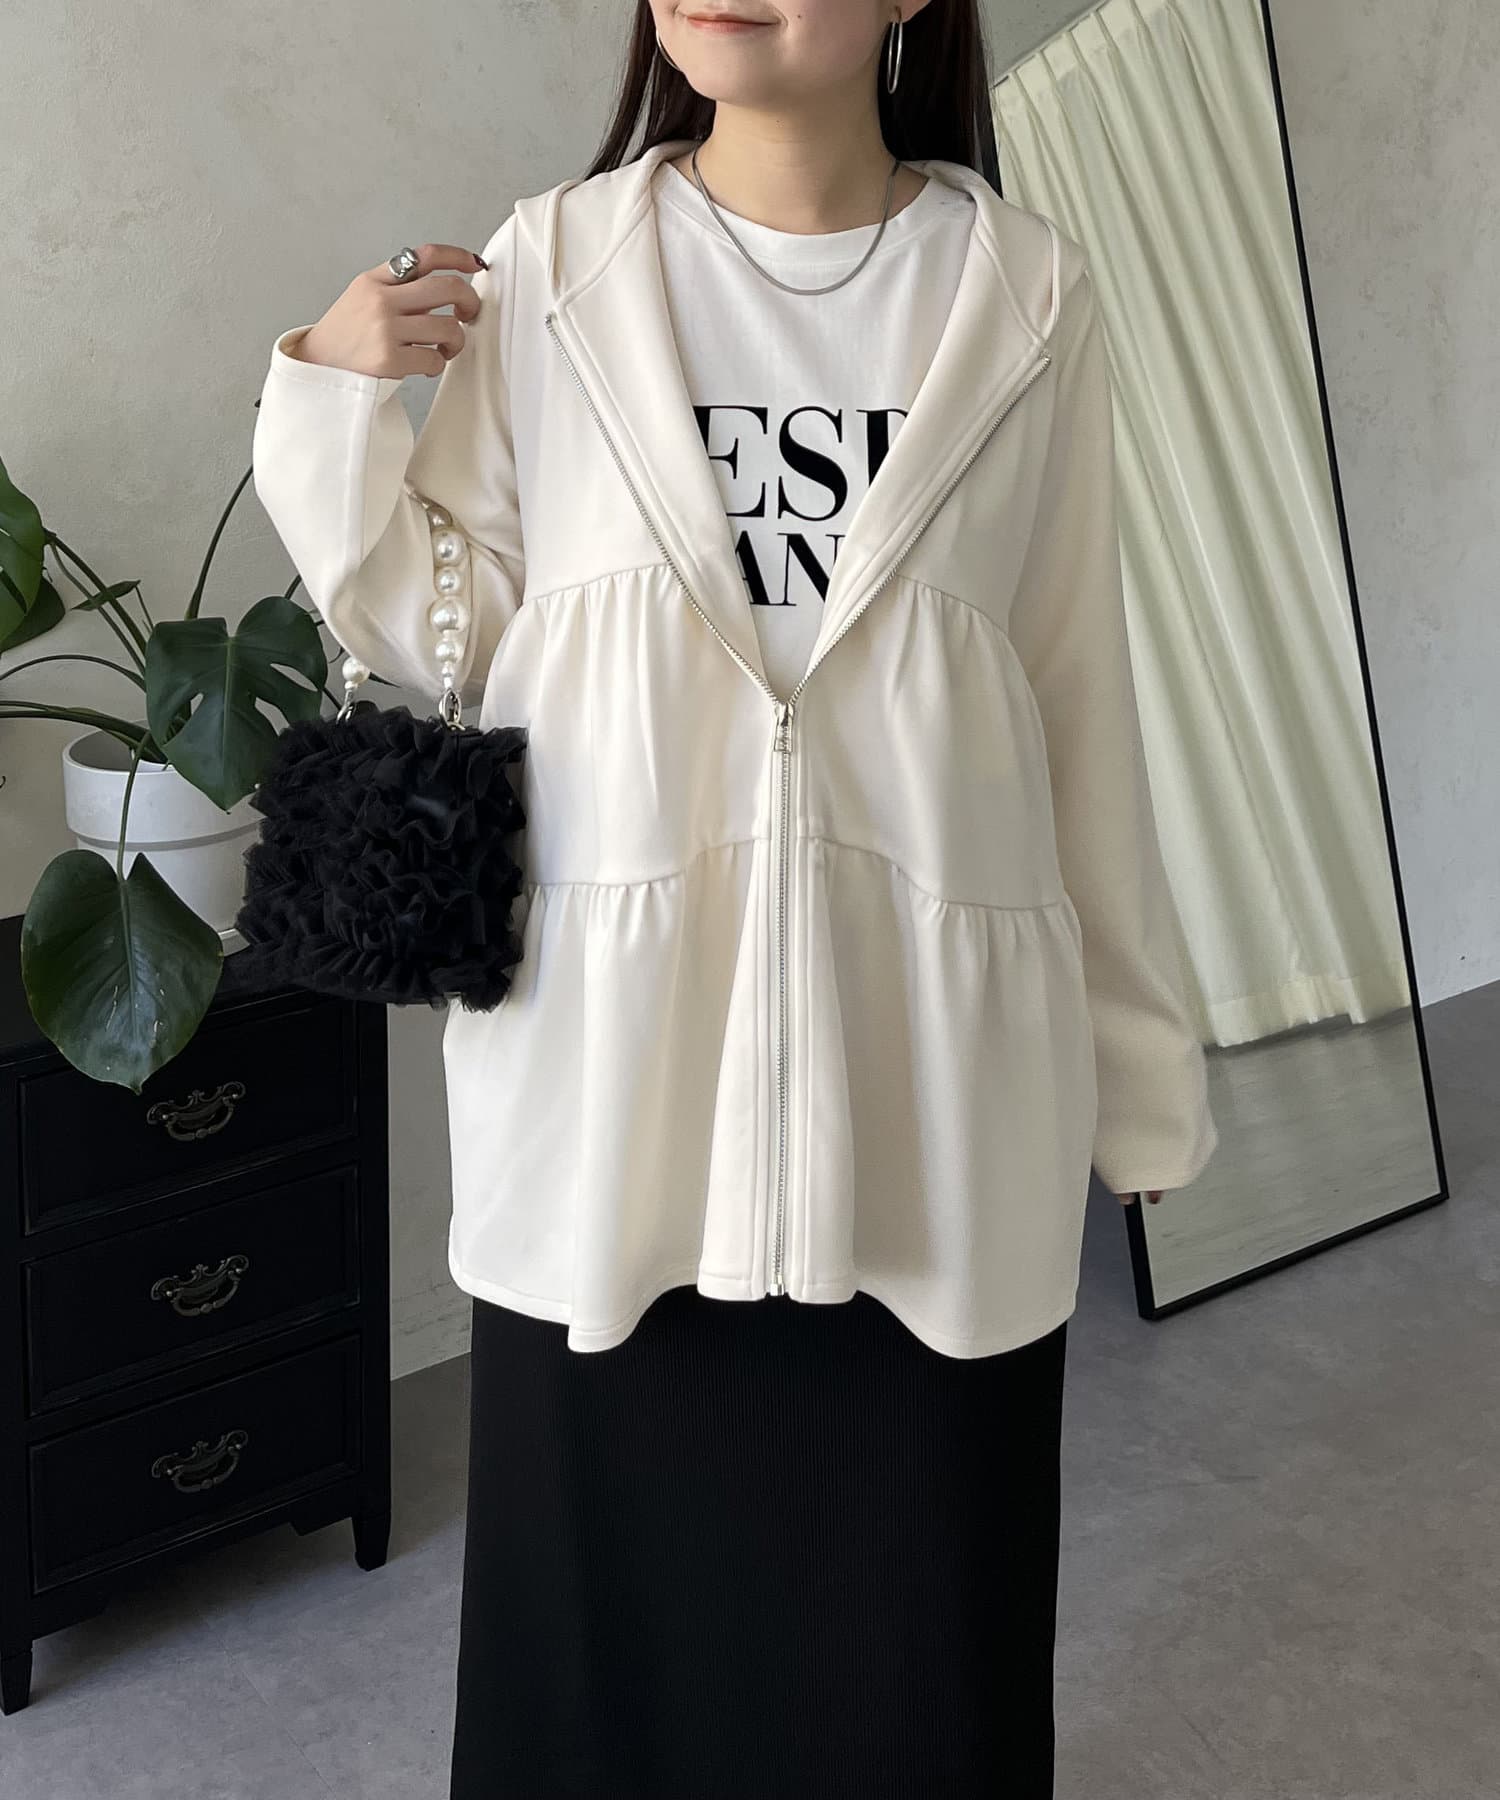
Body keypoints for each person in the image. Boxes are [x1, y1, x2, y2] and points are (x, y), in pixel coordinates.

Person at [251, 4, 1217, 1794]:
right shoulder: (562, 265)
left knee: (912, 1670)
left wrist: (1139, 1070)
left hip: (927, 1091)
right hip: (622, 1092)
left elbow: (1077, 692)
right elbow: (437, 627)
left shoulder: (1026, 292)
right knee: (599, 1693)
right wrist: (328, 390)